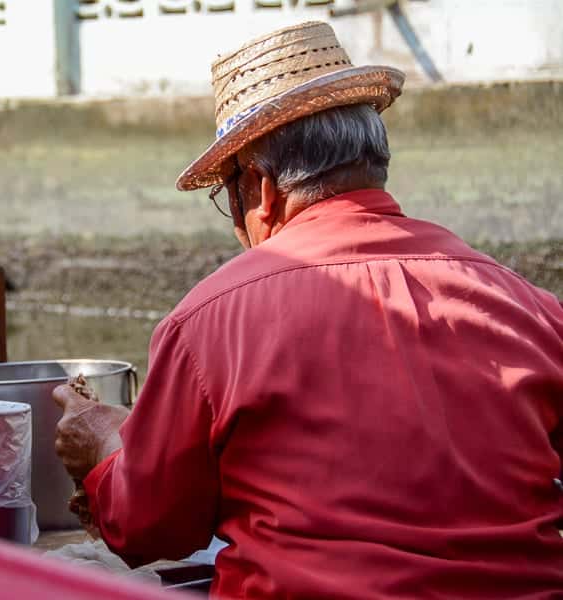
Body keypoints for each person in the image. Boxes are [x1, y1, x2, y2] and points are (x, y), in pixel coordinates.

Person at [53, 21, 563, 599]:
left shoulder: (210, 319)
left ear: (261, 187)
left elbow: (150, 527)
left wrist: (103, 445)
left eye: (228, 195)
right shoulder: (526, 304)